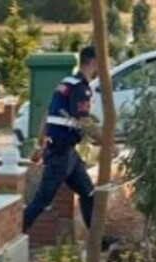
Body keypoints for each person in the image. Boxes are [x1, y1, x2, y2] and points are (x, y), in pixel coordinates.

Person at [23, 46, 100, 235]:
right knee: (42, 201)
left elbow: (47, 114)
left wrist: (40, 145)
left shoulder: (66, 83)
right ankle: (14, 233)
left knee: (88, 192)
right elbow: (84, 121)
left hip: (68, 152)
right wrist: (107, 143)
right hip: (60, 154)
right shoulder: (81, 88)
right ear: (94, 62)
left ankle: (97, 240)